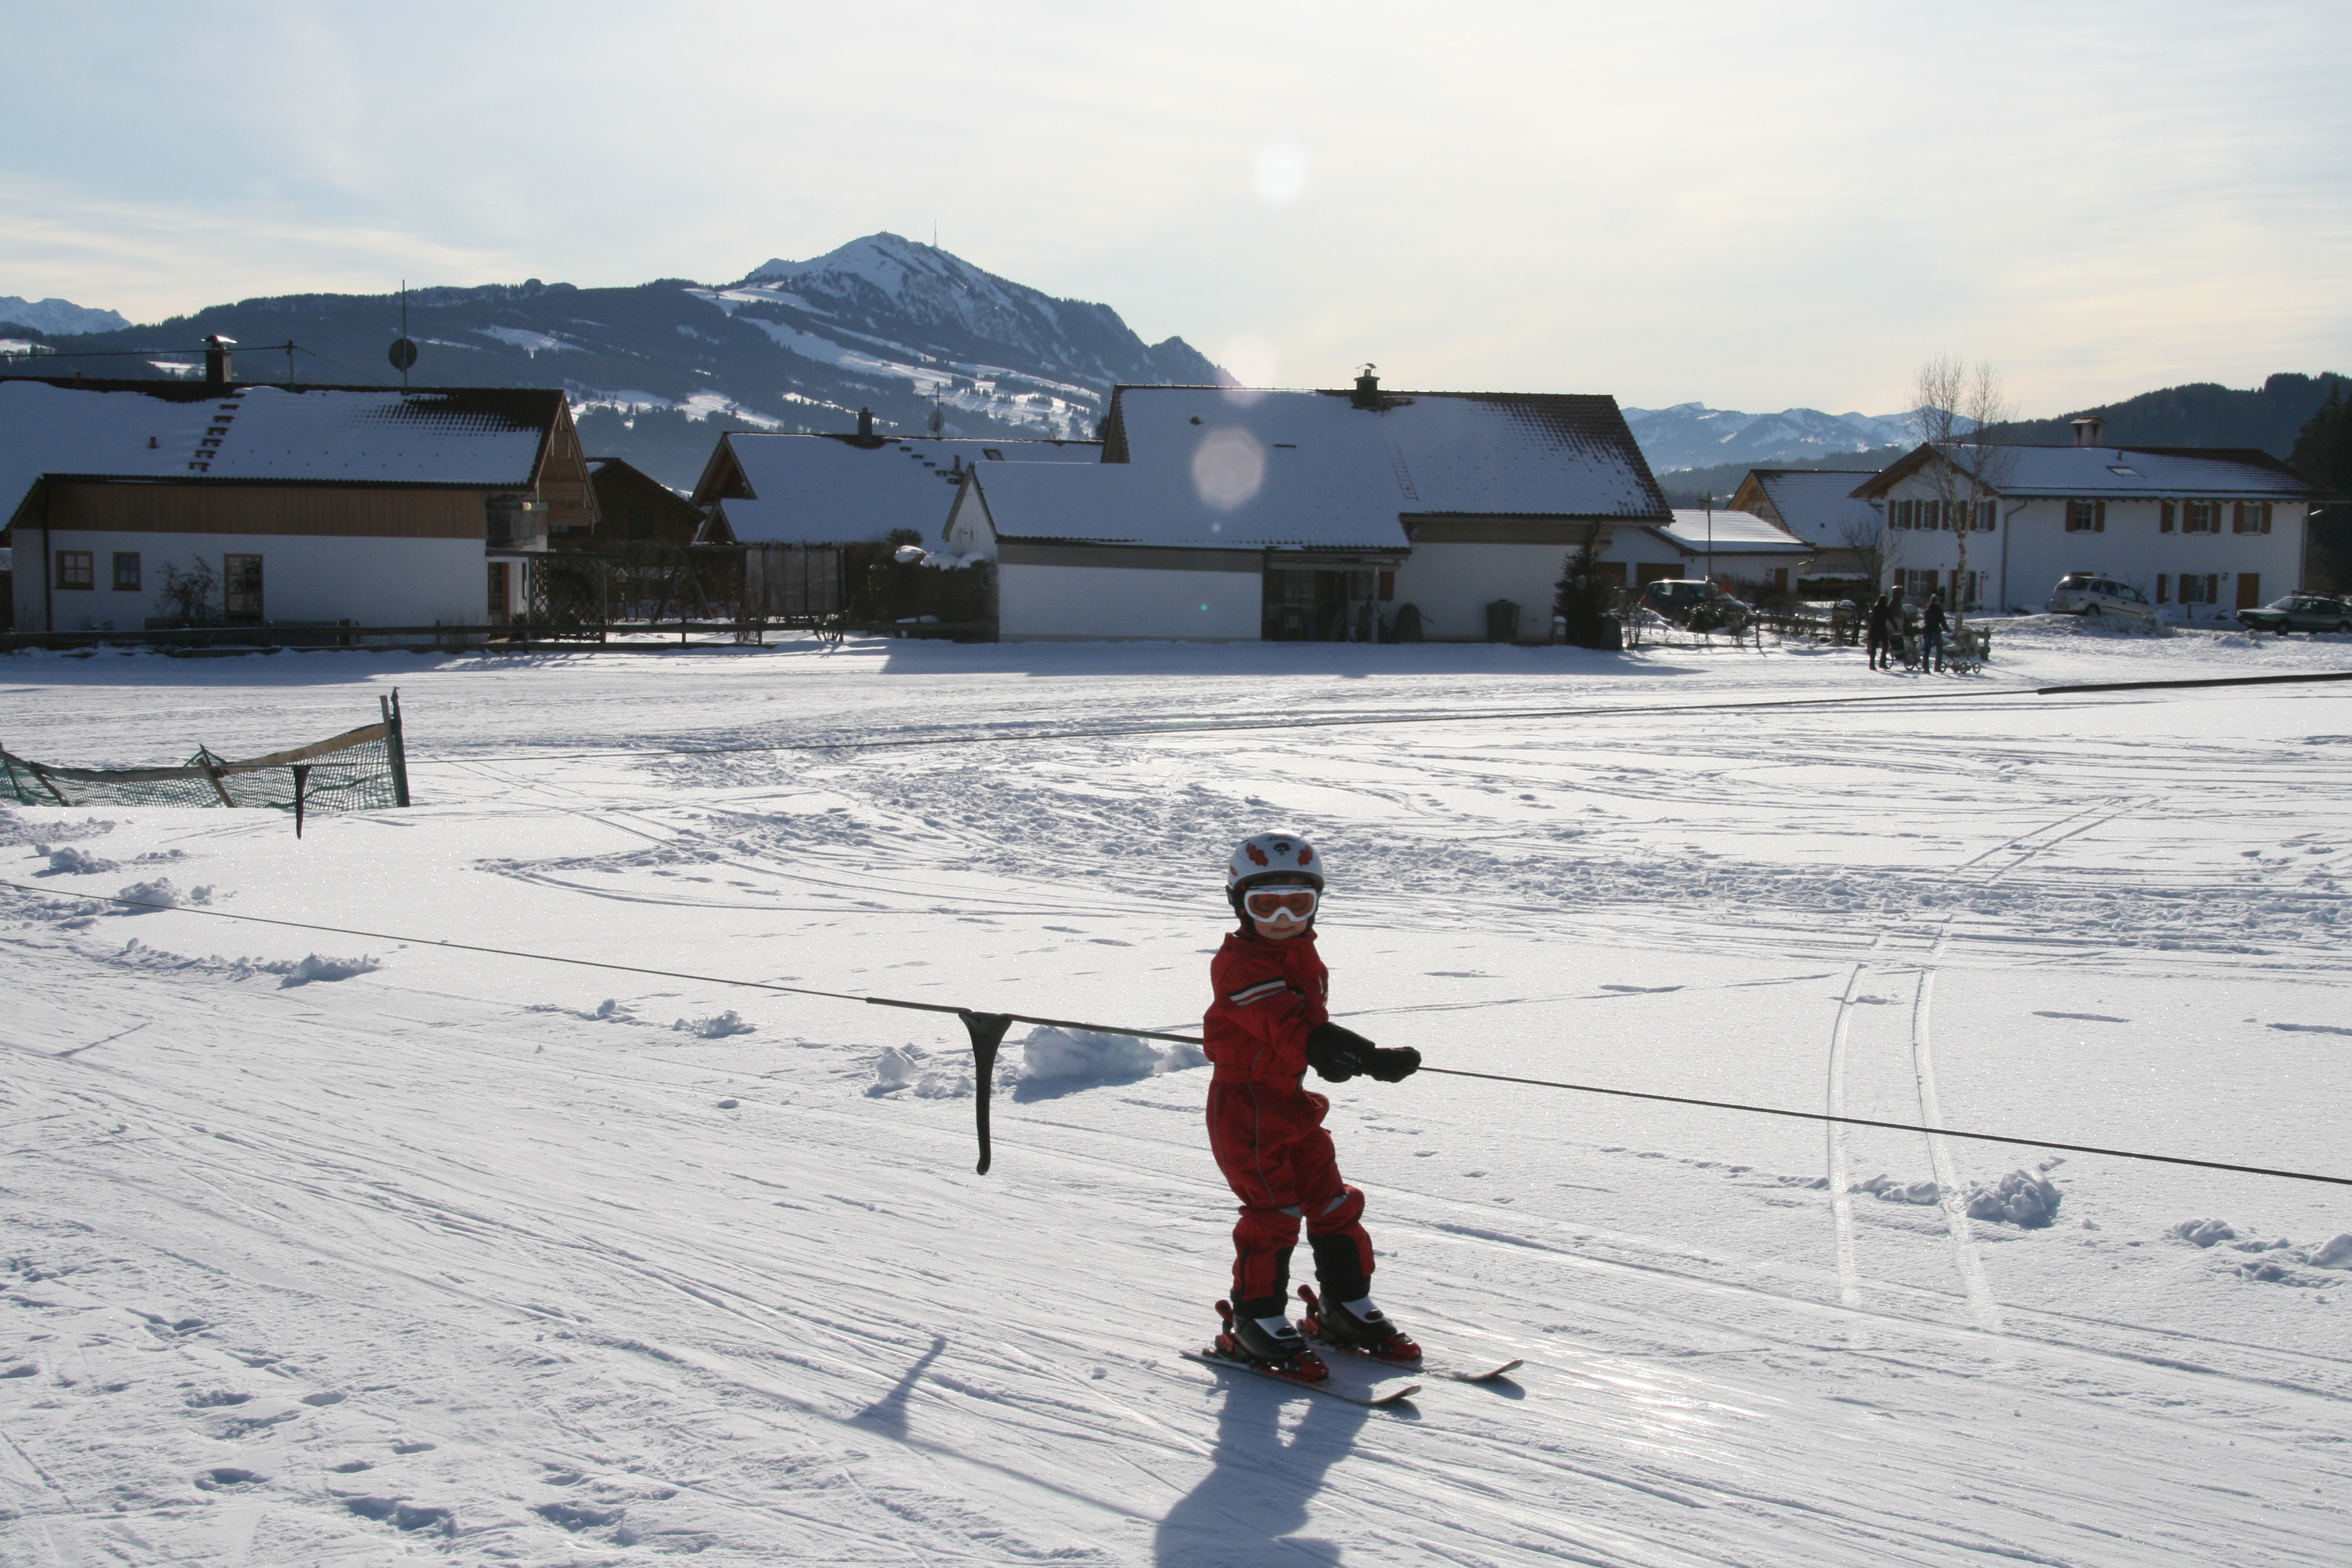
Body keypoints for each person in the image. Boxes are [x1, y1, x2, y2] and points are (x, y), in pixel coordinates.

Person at [1204, 832, 1422, 1378]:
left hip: (1289, 1097)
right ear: (1239, 904)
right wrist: (1357, 1054)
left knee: (1330, 1202)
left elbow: (1306, 1028)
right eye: (1265, 904)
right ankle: (1257, 1319)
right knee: (1274, 1212)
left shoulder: (1299, 950)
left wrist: (1330, 1055)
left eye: (1298, 904)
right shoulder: (1238, 966)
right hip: (1246, 1107)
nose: (1282, 916)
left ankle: (1345, 1305)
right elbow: (1286, 1021)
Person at [1864, 592, 1893, 670]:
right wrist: (1896, 628)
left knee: (1873, 647)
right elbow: (1891, 619)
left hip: (1874, 629)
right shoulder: (1886, 609)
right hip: (1882, 629)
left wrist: (1870, 624)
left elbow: (1869, 618)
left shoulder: (1875, 608)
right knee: (1885, 646)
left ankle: (1872, 664)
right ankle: (1882, 663)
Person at [1922, 592, 1949, 673]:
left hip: (1927, 631)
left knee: (1927, 650)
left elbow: (1926, 621)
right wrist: (1947, 629)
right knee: (1939, 649)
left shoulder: (1927, 610)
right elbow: (1942, 621)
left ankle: (1925, 667)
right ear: (1937, 602)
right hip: (1935, 631)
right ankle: (1937, 667)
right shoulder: (1939, 610)